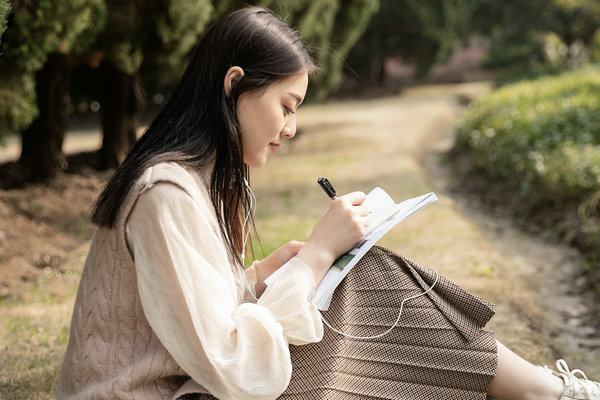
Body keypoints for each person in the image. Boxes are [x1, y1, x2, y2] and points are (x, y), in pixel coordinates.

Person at [57, 6, 599, 400]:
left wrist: (266, 273)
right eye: (286, 106)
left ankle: (541, 391)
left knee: (358, 272)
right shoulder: (166, 193)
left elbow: (185, 317)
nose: (290, 129)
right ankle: (543, 392)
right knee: (351, 281)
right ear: (234, 85)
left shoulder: (189, 181)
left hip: (190, 384)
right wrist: (316, 256)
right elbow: (233, 364)